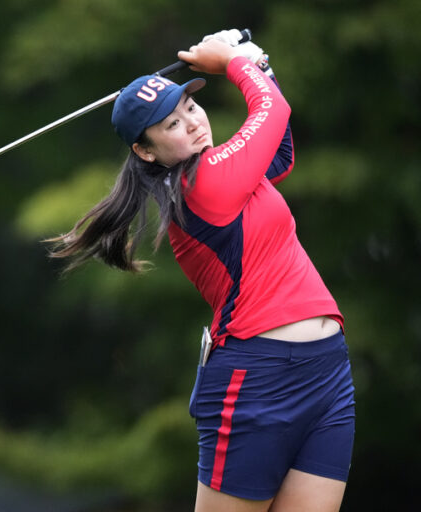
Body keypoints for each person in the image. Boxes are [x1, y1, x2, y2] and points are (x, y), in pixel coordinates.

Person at [47, 31, 355, 512]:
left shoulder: (225, 171)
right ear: (146, 152)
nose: (192, 123)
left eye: (190, 108)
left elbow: (280, 151)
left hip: (327, 369)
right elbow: (273, 113)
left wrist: (258, 64)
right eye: (171, 124)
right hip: (256, 378)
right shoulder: (201, 185)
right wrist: (234, 62)